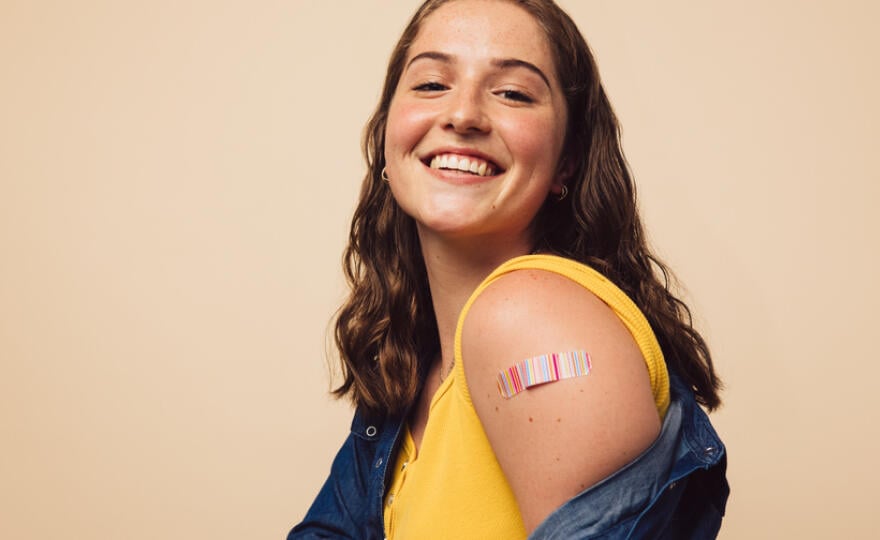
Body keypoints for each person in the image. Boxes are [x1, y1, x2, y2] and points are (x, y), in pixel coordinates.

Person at [289, 0, 728, 538]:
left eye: (513, 93)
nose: (463, 114)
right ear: (386, 136)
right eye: (430, 84)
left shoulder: (526, 316)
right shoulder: (416, 368)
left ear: (567, 160)